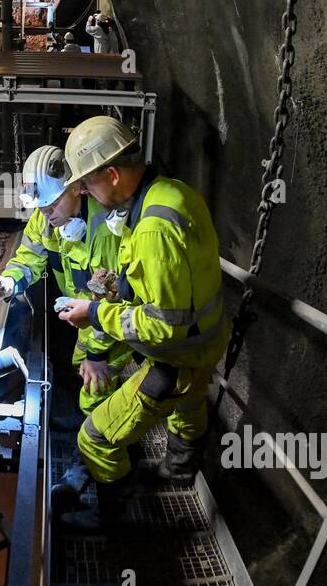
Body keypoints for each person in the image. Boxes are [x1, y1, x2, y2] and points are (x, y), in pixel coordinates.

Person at [54, 116, 229, 532]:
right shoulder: (173, 192)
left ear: (113, 174)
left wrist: (94, 313)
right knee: (189, 409)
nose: (83, 192)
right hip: (207, 342)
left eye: (88, 183)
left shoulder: (152, 230)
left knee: (94, 438)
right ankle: (180, 471)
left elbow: (165, 326)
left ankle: (110, 516)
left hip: (176, 360)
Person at [0, 145, 132, 448]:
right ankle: (84, 423)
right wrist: (10, 281)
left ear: (77, 188)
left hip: (109, 327)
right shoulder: (45, 220)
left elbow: (111, 302)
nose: (45, 214)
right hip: (84, 319)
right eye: (40, 207)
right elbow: (28, 257)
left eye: (51, 205)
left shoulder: (104, 232)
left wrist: (96, 356)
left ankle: (102, 465)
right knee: (79, 368)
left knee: (96, 387)